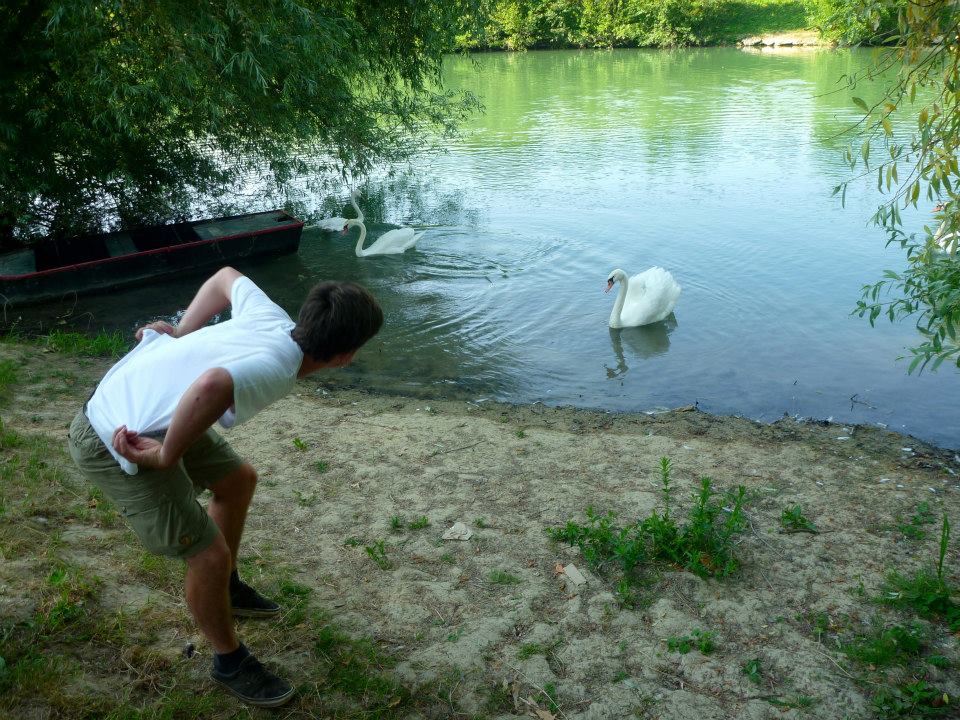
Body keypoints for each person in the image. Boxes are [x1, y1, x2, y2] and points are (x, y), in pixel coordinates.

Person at [67, 266, 383, 707]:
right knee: (208, 555)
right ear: (346, 356)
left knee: (238, 480)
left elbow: (223, 278)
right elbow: (212, 385)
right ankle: (228, 660)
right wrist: (165, 456)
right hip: (111, 435)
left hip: (146, 407)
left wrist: (180, 331)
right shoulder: (277, 368)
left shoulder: (273, 319)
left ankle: (228, 589)